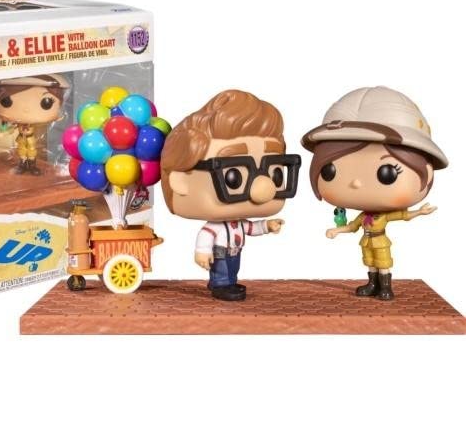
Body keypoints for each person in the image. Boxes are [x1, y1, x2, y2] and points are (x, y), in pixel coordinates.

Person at [301, 86, 448, 300]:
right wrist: (337, 230)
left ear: (427, 170)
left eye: (387, 173)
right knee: (369, 262)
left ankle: (385, 287)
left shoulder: (382, 217)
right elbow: (352, 227)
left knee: (383, 263)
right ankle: (372, 284)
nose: (356, 182)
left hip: (380, 242)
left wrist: (419, 212)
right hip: (367, 242)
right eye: (329, 170)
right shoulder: (364, 218)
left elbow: (403, 216)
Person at [161, 89, 301, 301]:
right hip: (219, 251)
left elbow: (251, 228)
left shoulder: (238, 223)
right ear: (180, 180)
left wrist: (267, 226)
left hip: (235, 250)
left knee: (233, 267)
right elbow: (205, 236)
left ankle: (229, 282)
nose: (264, 189)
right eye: (233, 176)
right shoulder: (214, 227)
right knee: (222, 267)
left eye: (275, 173)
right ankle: (220, 284)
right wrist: (201, 252)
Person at [0, 74, 69, 175]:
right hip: (21, 139)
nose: (26, 109)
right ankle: (22, 165)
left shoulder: (35, 124)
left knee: (32, 151)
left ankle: (32, 165)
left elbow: (40, 125)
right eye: (7, 101)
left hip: (30, 138)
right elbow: (8, 128)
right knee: (22, 151)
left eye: (47, 102)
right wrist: (3, 133)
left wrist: (58, 116)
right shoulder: (16, 123)